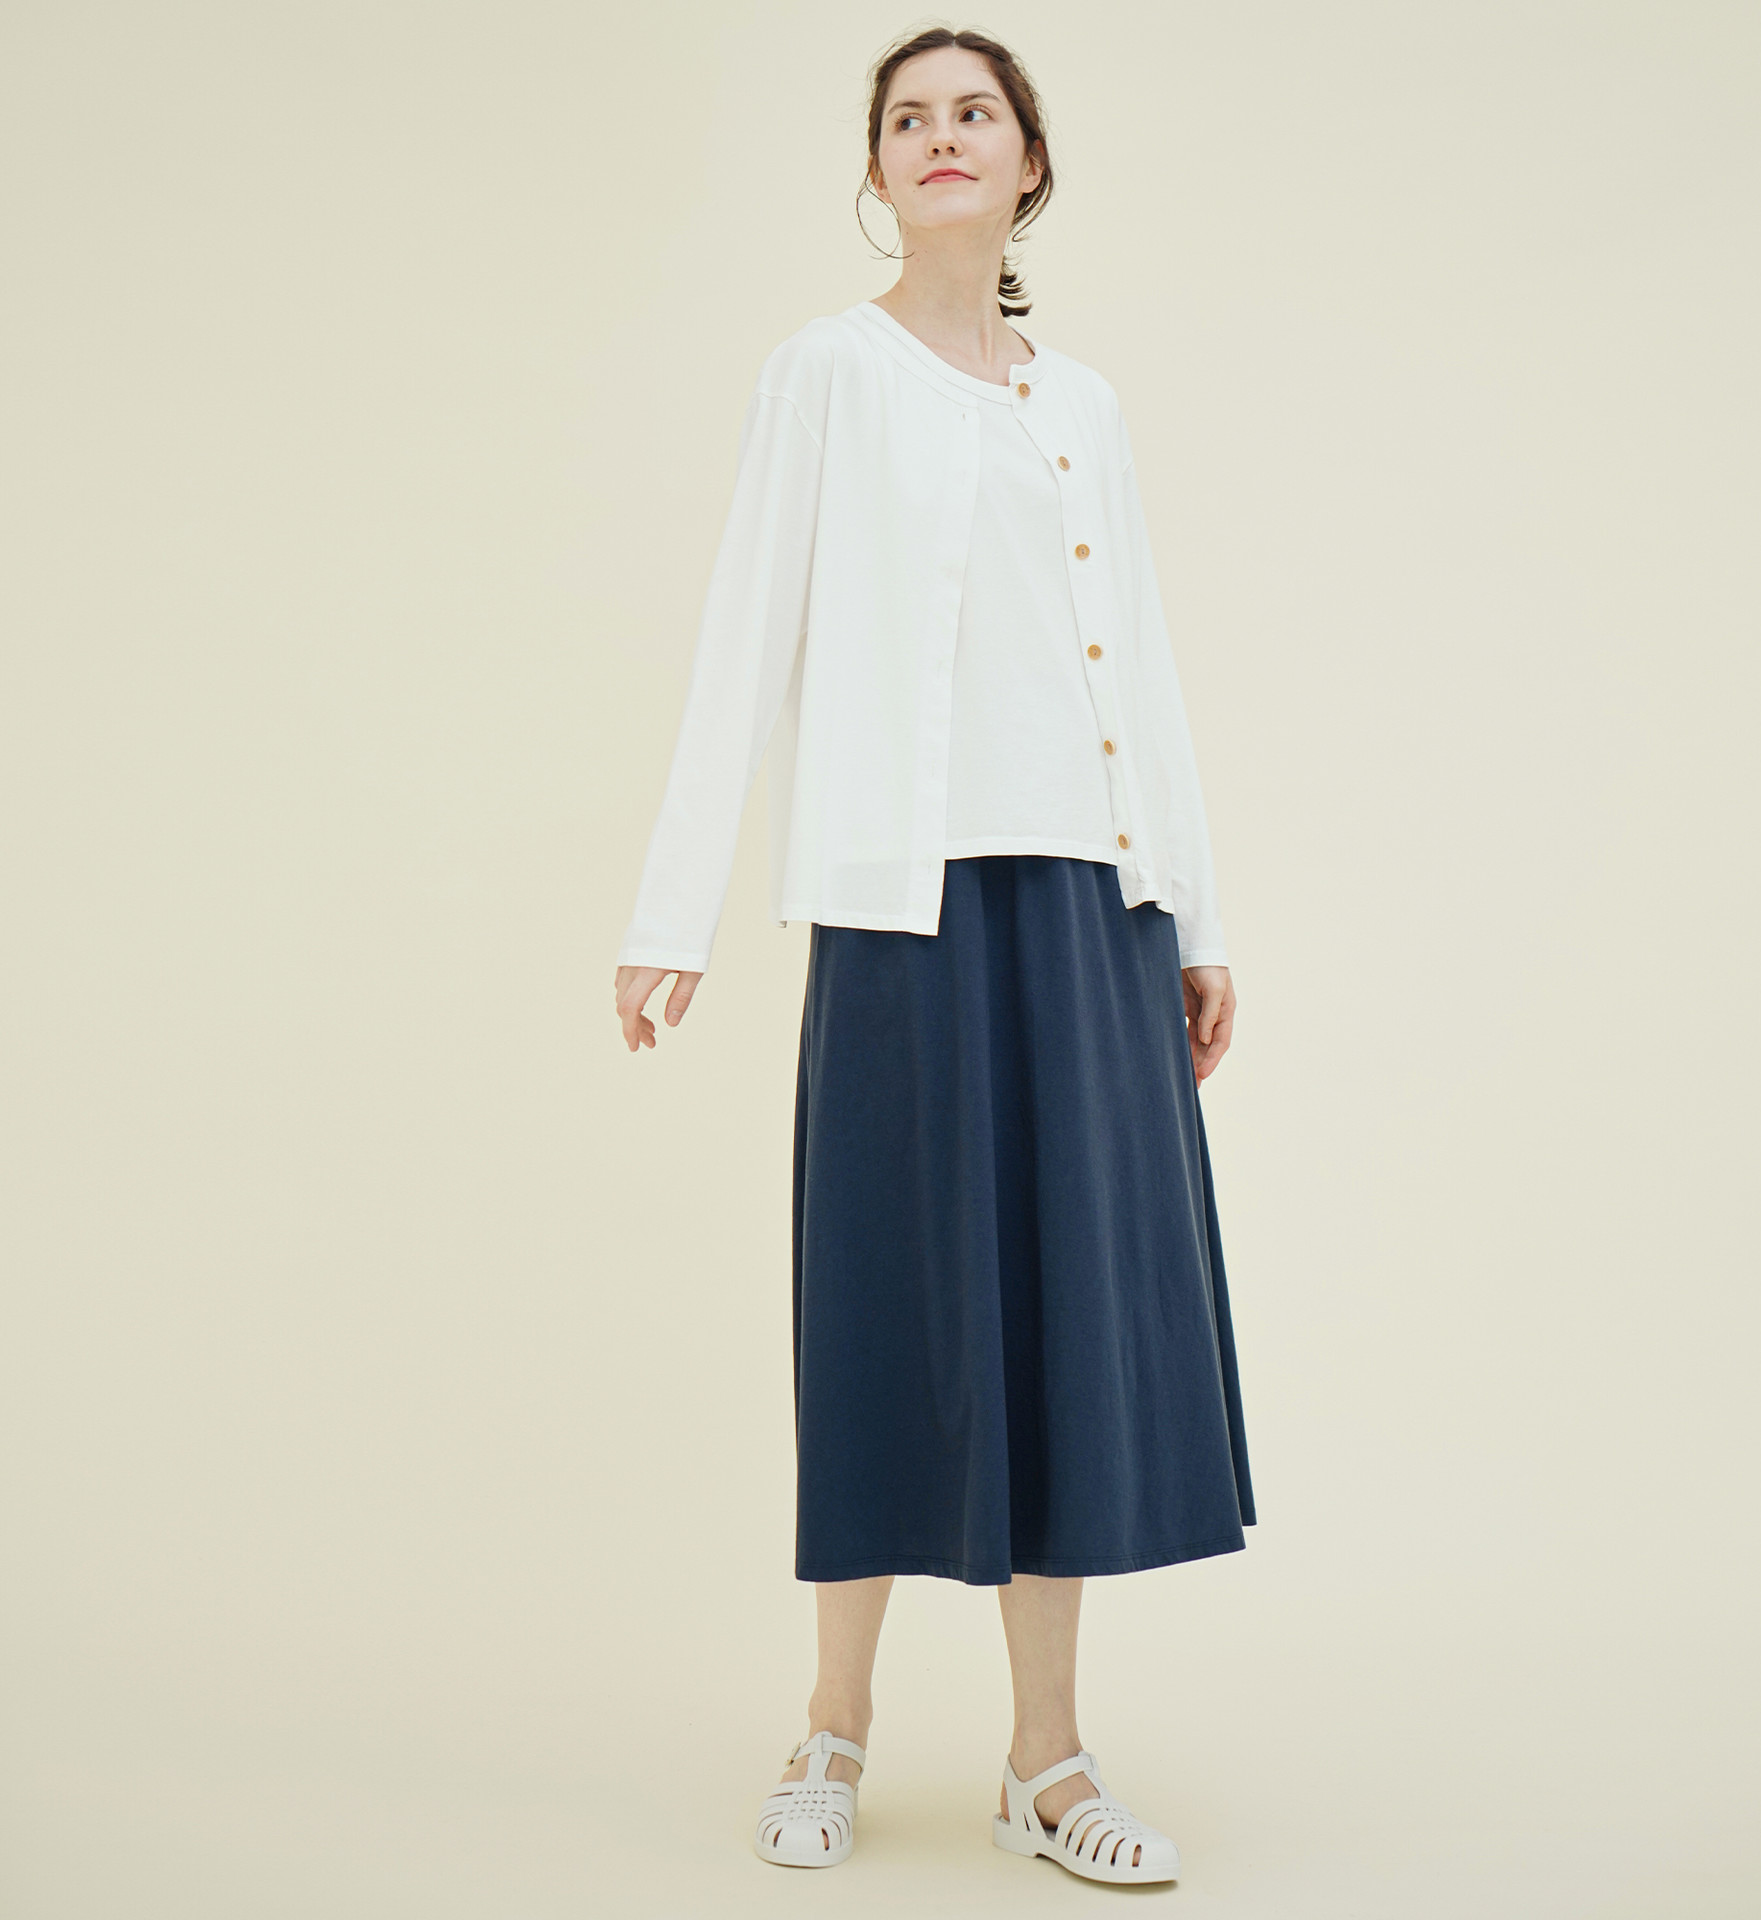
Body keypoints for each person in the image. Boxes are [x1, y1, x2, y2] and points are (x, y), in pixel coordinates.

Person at [612, 24, 1255, 1887]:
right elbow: (745, 630)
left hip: (1092, 908)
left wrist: (1194, 912)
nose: (942, 135)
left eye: (976, 112)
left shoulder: (1086, 406)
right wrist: (673, 911)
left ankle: (1047, 1762)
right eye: (910, 117)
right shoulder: (826, 371)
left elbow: (1143, 656)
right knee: (890, 1301)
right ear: (879, 168)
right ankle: (833, 1726)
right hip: (907, 902)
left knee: (1067, 1326)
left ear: (1029, 160)